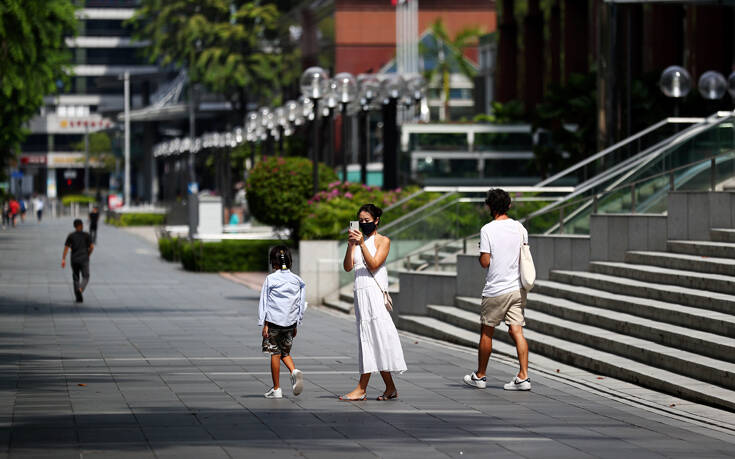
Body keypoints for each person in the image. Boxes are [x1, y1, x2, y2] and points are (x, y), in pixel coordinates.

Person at [464, 188, 531, 391]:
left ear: (489, 207)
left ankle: (481, 375)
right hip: (517, 288)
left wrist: (480, 254)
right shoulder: (520, 228)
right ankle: (524, 376)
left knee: (487, 333)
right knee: (517, 331)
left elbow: (485, 262)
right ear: (509, 205)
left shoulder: (487, 230)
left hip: (495, 289)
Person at [341, 203, 407, 401]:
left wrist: (361, 244)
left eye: (367, 221)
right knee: (370, 338)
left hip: (374, 293)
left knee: (374, 337)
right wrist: (351, 245)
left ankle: (362, 388)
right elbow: (347, 267)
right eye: (360, 221)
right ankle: (390, 387)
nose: (363, 224)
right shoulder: (358, 241)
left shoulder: (383, 241)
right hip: (360, 293)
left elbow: (374, 264)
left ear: (376, 220)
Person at [258, 245, 307, 399]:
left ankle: (277, 388)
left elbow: (264, 302)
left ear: (274, 262)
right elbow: (301, 302)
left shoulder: (271, 279)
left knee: (275, 353)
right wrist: (297, 321)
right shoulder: (298, 280)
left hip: (273, 322)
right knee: (285, 352)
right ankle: (293, 371)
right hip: (290, 323)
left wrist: (263, 323)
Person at [62, 219, 94, 303]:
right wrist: (88, 254)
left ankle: (78, 297)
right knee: (86, 277)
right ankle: (80, 289)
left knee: (76, 278)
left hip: (74, 259)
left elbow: (66, 247)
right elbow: (91, 247)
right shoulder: (86, 235)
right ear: (81, 225)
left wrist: (63, 259)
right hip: (84, 259)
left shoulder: (71, 235)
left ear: (74, 226)